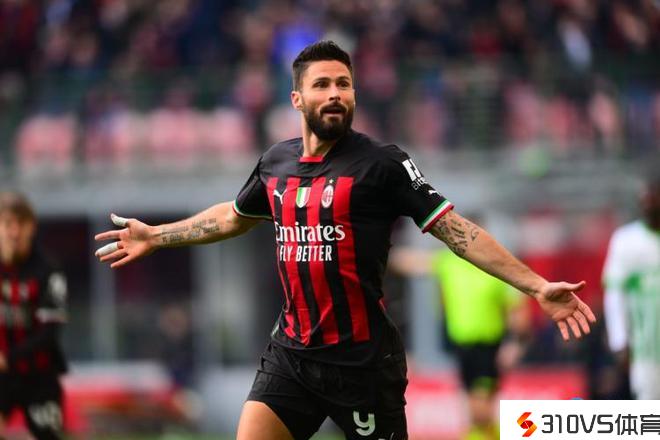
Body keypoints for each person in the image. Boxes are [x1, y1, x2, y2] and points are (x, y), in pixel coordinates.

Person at [95, 41, 596, 440]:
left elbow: (457, 231)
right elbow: (234, 216)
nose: (335, 93)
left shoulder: (384, 164)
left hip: (363, 364)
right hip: (291, 354)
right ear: (297, 99)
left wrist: (535, 285)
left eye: (344, 84)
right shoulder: (275, 163)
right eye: (322, 84)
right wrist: (156, 235)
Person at [431, 245, 529, 440]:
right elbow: (416, 263)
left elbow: (516, 310)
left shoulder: (495, 268)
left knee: (481, 407)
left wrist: (515, 343)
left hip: (488, 345)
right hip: (462, 345)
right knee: (474, 405)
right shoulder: (449, 263)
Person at [0, 192, 69, 440]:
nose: (14, 232)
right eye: (8, 223)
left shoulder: (50, 270)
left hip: (40, 376)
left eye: (21, 224)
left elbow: (50, 332)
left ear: (32, 227)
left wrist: (7, 357)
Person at [603, 167, 660, 399]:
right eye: (645, 199)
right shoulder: (626, 241)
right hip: (645, 349)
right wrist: (619, 340)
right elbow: (614, 295)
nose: (648, 204)